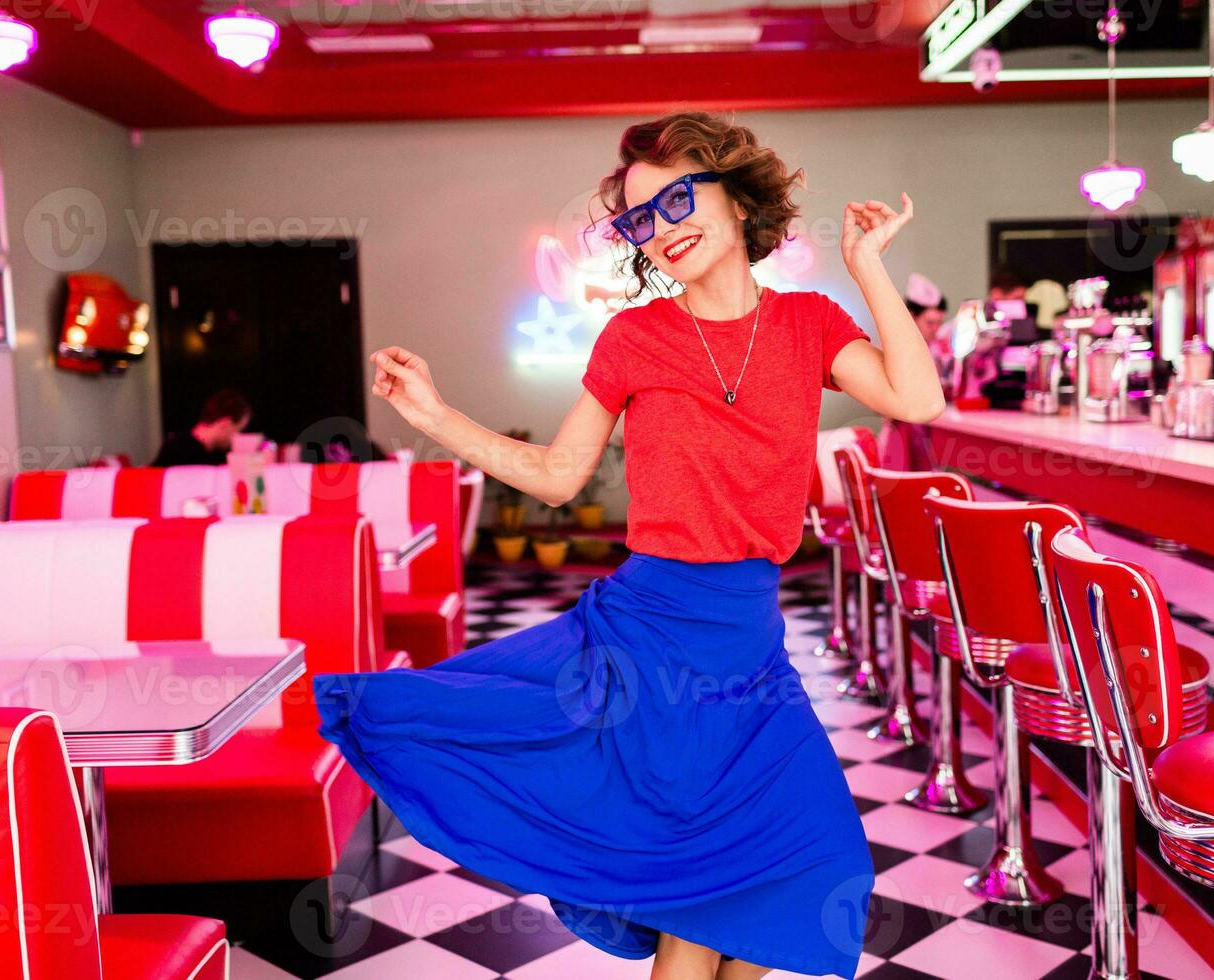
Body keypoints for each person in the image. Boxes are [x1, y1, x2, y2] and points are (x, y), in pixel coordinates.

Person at [312, 111, 944, 980]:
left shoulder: (807, 324)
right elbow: (558, 475)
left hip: (750, 644)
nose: (663, 226)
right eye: (642, 217)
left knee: (786, 875)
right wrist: (432, 414)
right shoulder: (636, 337)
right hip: (657, 644)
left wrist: (868, 268)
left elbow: (917, 399)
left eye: (679, 196)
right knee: (705, 902)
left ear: (737, 197)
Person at [879, 273, 948, 470]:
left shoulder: (939, 349)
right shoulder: (894, 350)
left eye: (939, 323)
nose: (936, 329)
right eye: (930, 323)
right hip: (901, 434)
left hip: (928, 435)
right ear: (911, 317)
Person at [149, 389, 250, 467]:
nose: (236, 437)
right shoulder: (179, 451)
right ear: (225, 424)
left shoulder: (214, 455)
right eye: (238, 430)